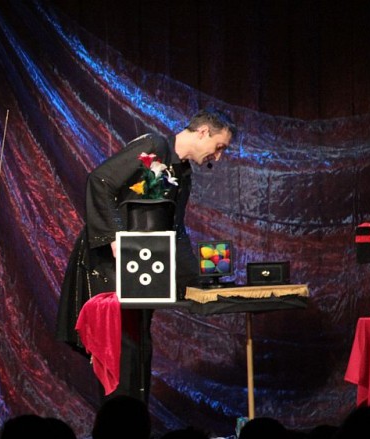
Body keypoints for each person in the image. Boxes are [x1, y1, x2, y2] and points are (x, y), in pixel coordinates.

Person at [56, 108, 237, 402]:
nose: (217, 157)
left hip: (145, 271)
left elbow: (175, 231)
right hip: (112, 267)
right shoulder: (154, 145)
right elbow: (100, 181)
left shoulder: (183, 174)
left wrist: (197, 282)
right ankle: (119, 426)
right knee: (121, 349)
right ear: (204, 132)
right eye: (219, 147)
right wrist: (115, 238)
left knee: (139, 347)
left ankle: (136, 423)